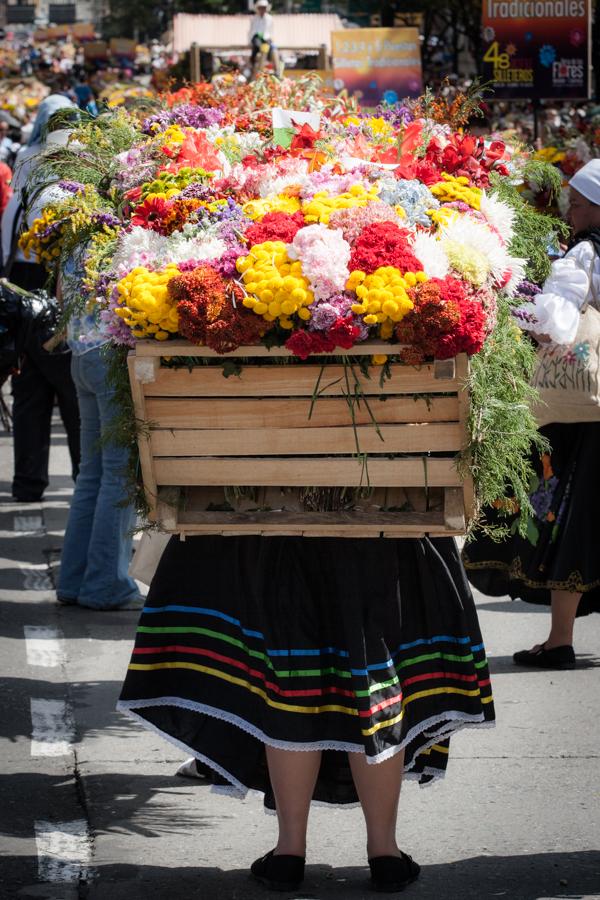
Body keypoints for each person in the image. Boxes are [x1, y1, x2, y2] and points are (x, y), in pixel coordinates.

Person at [119, 532, 494, 891]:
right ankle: (385, 853)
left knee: (292, 676)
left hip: (275, 529)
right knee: (373, 672)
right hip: (381, 532)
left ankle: (288, 852)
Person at [463, 158, 600, 670]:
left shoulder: (583, 254)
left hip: (581, 413)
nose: (571, 210)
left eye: (579, 203)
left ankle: (560, 640)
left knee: (572, 519)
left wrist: (515, 306)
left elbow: (558, 325)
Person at [1, 95, 81, 503]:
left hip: (20, 286)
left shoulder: (25, 165)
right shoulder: (68, 168)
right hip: (54, 284)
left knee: (30, 387)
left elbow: (6, 230)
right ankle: (85, 477)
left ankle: (28, 483)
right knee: (71, 387)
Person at [55, 246, 143, 612]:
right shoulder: (113, 237)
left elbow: (61, 294)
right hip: (108, 357)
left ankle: (74, 581)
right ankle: (106, 583)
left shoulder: (77, 236)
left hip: (81, 355)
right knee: (118, 476)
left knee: (92, 474)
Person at [248, 0, 281, 79]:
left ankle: (277, 71)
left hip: (267, 40)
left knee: (273, 49)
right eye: (261, 8)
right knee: (263, 49)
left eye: (264, 8)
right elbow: (252, 32)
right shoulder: (254, 18)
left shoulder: (269, 18)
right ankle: (260, 71)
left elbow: (270, 32)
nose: (262, 9)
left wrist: (268, 39)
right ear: (258, 8)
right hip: (257, 40)